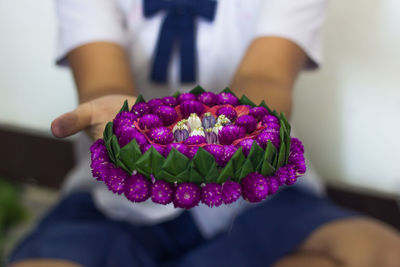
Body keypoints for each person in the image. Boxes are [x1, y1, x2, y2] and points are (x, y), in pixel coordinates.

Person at [8, 0, 400, 266]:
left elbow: (267, 77)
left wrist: (226, 131)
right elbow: (100, 82)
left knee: (382, 252)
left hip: (258, 197)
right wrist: (125, 123)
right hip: (115, 205)